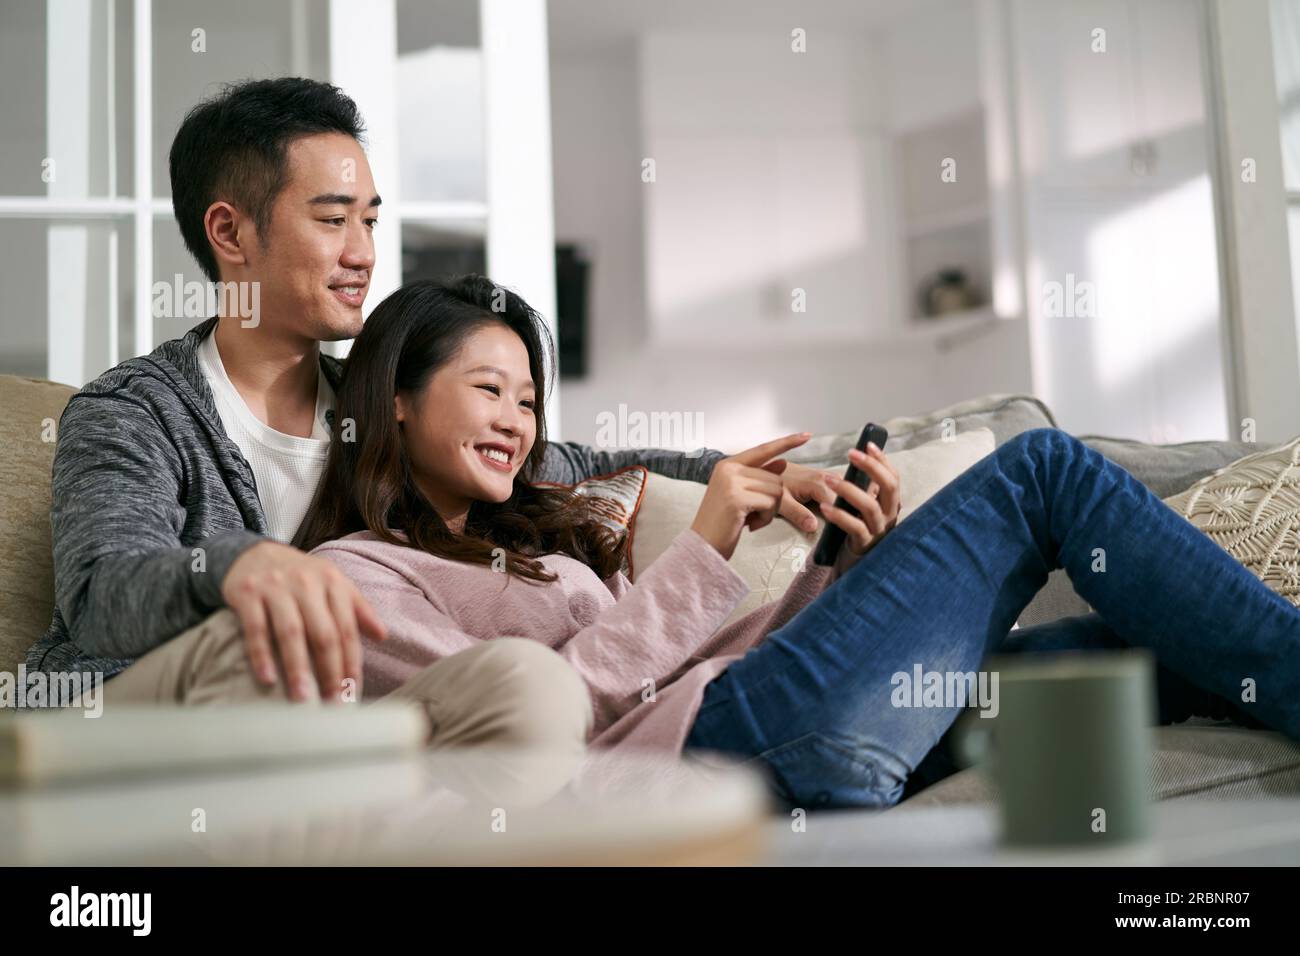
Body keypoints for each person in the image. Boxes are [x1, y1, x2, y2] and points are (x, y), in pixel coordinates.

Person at [293, 273, 1300, 810]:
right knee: (1040, 470)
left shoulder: (533, 545)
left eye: (527, 396)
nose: (518, 420)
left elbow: (700, 664)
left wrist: (842, 569)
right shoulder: (353, 577)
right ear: (393, 400)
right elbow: (536, 722)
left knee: (1097, 663)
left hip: (761, 720)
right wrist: (712, 536)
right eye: (487, 389)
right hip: (710, 755)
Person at [26, 78, 827, 745]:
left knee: (507, 698)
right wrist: (235, 567)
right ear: (230, 232)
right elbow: (103, 595)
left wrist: (751, 474)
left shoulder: (382, 411)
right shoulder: (137, 413)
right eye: (333, 219)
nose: (364, 252)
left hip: (323, 750)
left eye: (370, 221)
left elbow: (567, 460)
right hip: (144, 727)